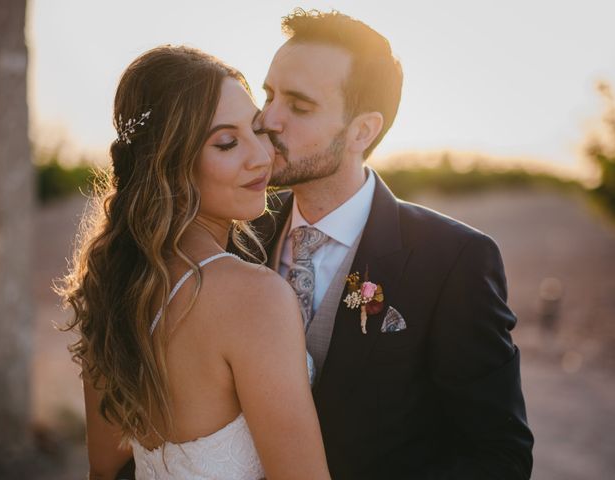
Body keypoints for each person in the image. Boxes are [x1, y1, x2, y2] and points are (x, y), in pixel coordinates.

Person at [243, 8, 534, 479]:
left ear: (362, 130)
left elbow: (499, 455)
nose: (267, 119)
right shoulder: (235, 235)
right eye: (268, 94)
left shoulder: (453, 261)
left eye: (298, 106)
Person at [58, 45, 330, 480]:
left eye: (257, 129)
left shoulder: (112, 285)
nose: (261, 156)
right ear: (169, 165)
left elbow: (104, 467)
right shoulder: (254, 297)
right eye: (226, 143)